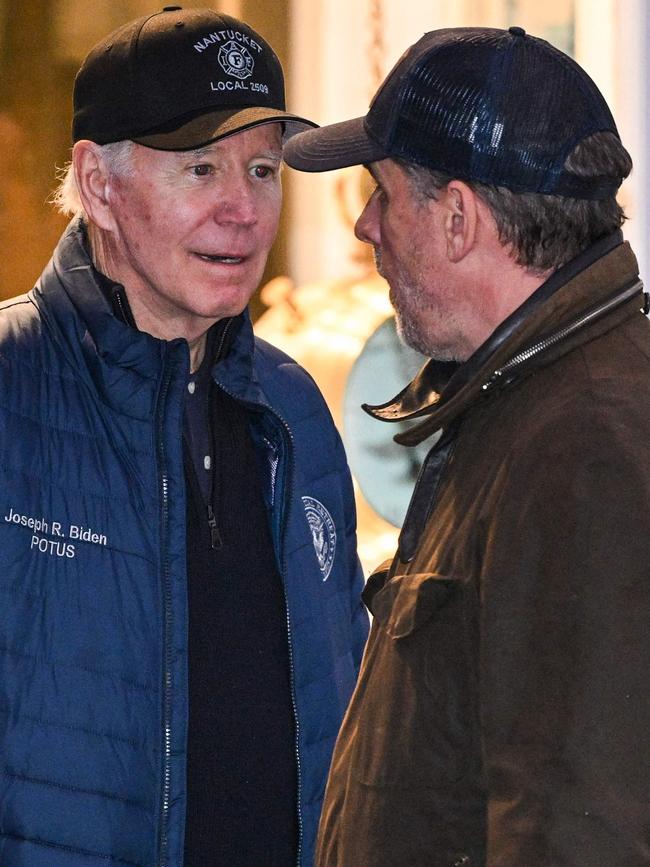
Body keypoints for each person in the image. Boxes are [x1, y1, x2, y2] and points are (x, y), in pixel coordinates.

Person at [0, 7, 368, 866]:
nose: (243, 209)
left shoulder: (296, 409)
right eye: (202, 167)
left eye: (264, 169)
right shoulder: (11, 386)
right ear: (98, 185)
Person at [283, 25, 650, 866]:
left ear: (457, 218)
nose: (365, 228)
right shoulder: (525, 399)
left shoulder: (588, 446)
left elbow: (580, 826)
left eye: (379, 193)